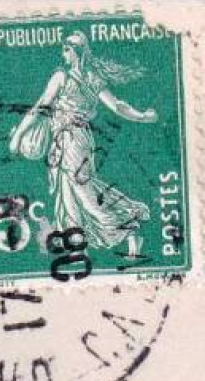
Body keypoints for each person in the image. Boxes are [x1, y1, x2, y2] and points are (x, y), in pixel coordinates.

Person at [10, 31, 157, 258]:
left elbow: (40, 107)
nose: (63, 54)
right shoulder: (92, 79)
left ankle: (128, 225)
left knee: (82, 194)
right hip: (77, 140)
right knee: (71, 194)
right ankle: (80, 249)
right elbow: (118, 105)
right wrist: (141, 116)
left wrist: (18, 136)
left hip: (70, 142)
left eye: (66, 49)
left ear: (74, 52)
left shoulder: (62, 77)